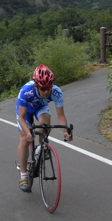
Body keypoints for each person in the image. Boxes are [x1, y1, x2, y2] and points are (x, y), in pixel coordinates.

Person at [16, 64, 72, 192]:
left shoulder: (57, 92)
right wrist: (27, 132)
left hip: (40, 108)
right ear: (36, 86)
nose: (47, 91)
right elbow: (21, 117)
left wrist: (65, 132)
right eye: (43, 88)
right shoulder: (26, 91)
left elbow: (61, 115)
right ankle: (24, 175)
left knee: (45, 122)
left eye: (49, 87)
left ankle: (41, 147)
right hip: (26, 112)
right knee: (25, 138)